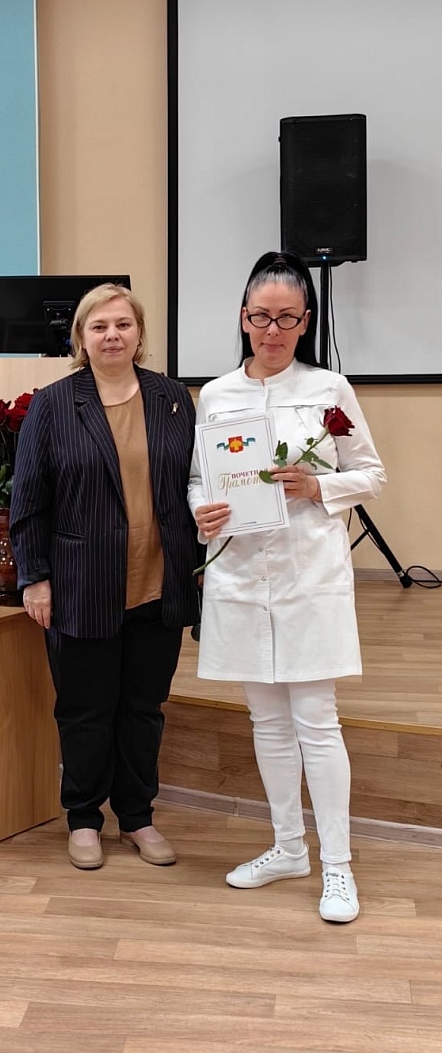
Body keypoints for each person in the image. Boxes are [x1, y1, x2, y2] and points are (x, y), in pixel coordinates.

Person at [188, 251, 386, 923]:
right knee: (266, 722)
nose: (272, 331)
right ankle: (287, 848)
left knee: (317, 722)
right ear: (243, 318)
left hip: (309, 573)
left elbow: (372, 474)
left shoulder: (329, 388)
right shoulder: (217, 396)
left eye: (287, 319)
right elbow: (199, 478)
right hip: (241, 573)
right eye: (261, 317)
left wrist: (317, 487)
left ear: (306, 322)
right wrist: (201, 510)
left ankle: (338, 866)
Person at [10, 284, 201, 870]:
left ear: (139, 333)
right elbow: (28, 500)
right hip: (81, 585)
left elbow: (194, 484)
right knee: (85, 710)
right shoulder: (53, 404)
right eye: (99, 326)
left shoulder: (173, 398)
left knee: (144, 709)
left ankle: (138, 817)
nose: (112, 335)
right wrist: (35, 577)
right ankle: (84, 818)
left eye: (123, 324)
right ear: (81, 338)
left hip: (158, 584)